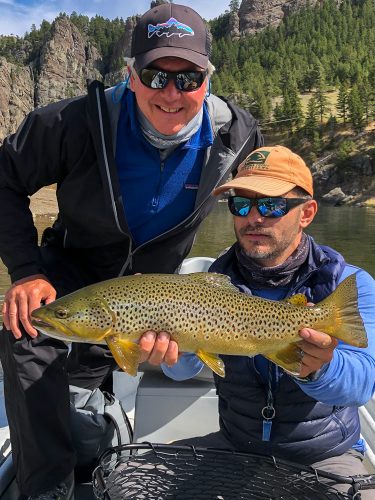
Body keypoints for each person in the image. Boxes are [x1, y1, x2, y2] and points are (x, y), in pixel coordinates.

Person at [0, 3, 263, 498]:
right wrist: (25, 271)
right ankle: (48, 488)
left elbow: (265, 215)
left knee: (93, 377)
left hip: (162, 297)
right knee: (25, 336)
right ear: (130, 74)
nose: (171, 93)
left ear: (208, 78)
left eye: (187, 78)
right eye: (154, 75)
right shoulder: (73, 122)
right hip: (71, 272)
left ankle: (98, 424)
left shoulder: (238, 137)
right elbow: (4, 179)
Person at [159, 145, 375, 497]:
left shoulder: (348, 285)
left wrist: (321, 368)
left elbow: (362, 384)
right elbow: (181, 372)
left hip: (324, 456)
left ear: (306, 213)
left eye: (271, 205)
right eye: (241, 204)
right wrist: (172, 352)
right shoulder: (210, 285)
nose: (253, 217)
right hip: (234, 447)